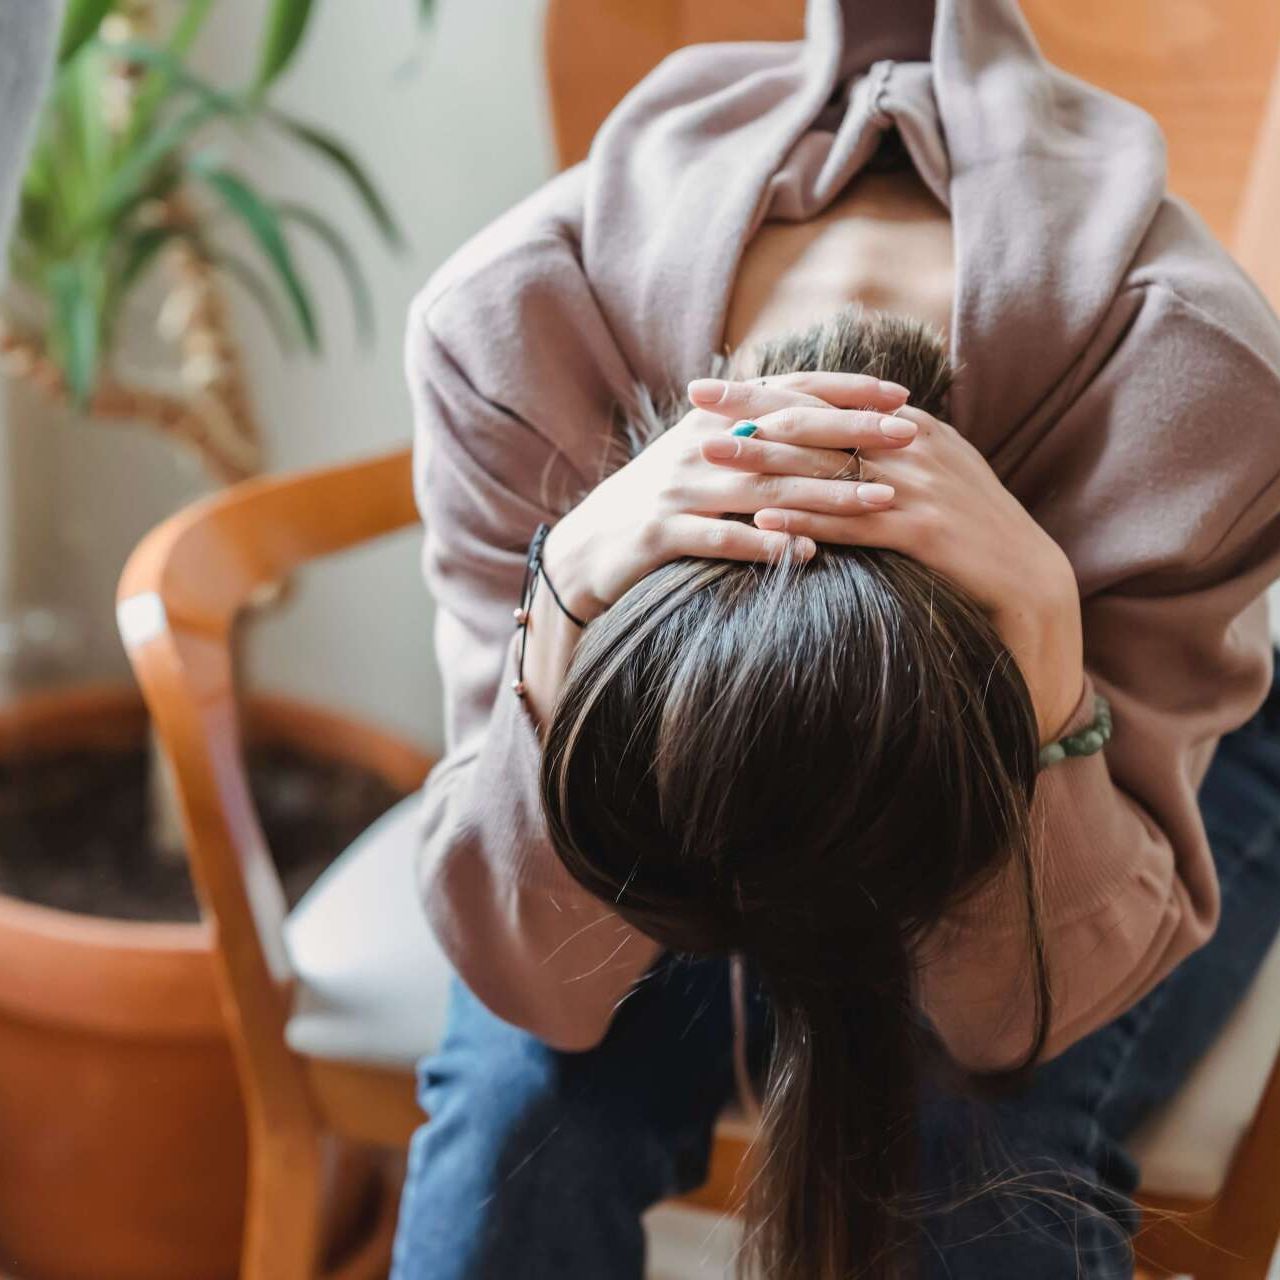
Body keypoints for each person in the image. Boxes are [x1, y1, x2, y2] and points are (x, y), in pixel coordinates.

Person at [391, 2, 1280, 1277]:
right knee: (521, 1120)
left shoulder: (1187, 379)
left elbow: (1008, 1019)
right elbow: (529, 965)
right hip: (666, 733)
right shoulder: (512, 334)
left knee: (975, 1148)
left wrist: (1039, 644)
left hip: (1130, 757)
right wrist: (565, 595)